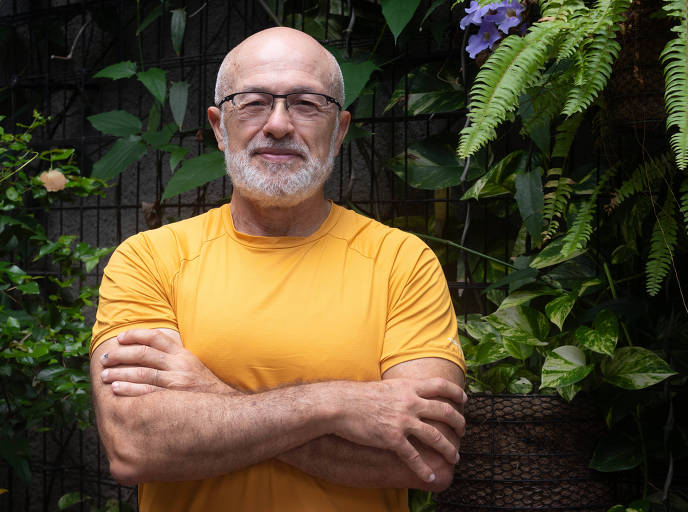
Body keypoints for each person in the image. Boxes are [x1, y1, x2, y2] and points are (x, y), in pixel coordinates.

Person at [89, 27, 466, 512]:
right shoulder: (149, 259)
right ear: (219, 126)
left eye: (308, 104)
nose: (279, 124)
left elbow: (427, 458)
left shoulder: (402, 262)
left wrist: (209, 393)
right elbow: (136, 445)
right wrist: (332, 405)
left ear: (341, 128)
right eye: (253, 102)